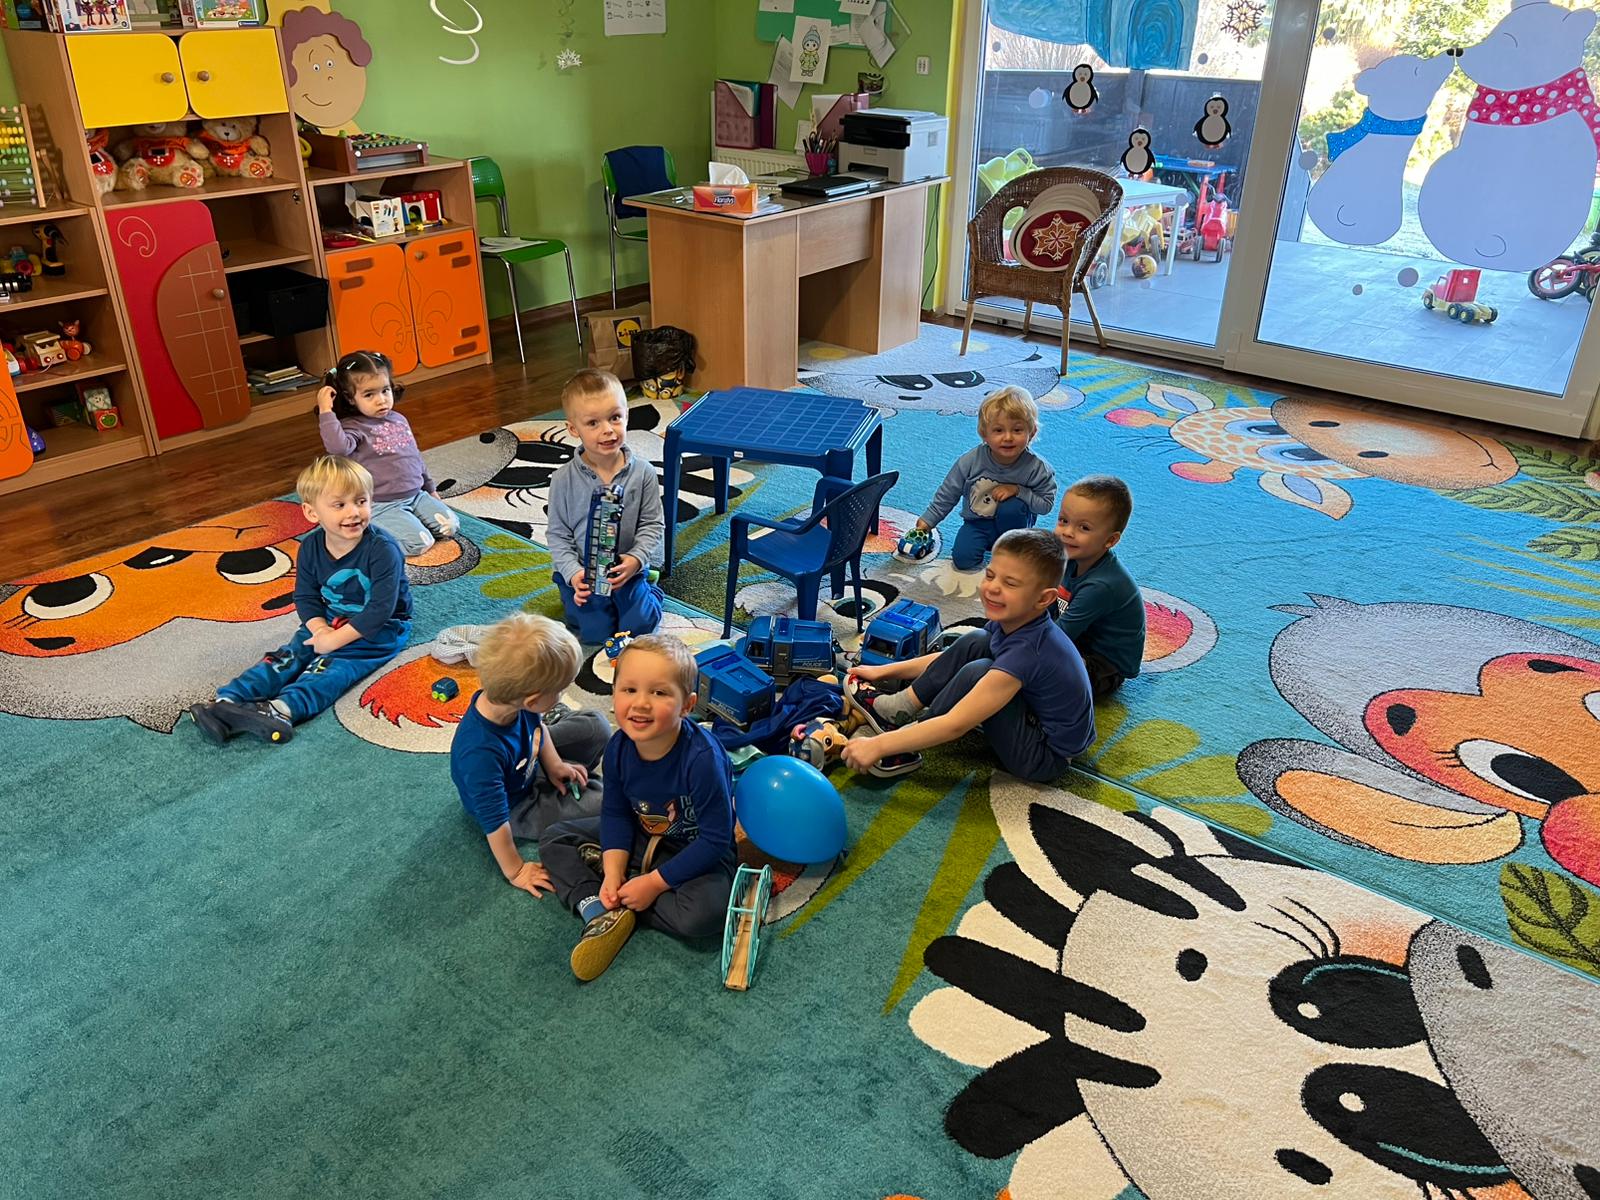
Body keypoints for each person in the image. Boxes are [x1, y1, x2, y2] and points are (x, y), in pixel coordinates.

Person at [539, 634, 737, 982]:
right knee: (555, 838)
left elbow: (716, 840)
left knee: (706, 915)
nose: (641, 703)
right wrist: (613, 872)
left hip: (696, 850)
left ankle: (629, 901)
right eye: (629, 690)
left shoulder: (702, 759)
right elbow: (616, 813)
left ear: (687, 705)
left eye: (659, 693)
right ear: (613, 693)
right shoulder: (618, 748)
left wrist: (654, 884)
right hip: (642, 835)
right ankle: (597, 906)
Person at [189, 455, 411, 745]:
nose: (354, 512)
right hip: (330, 618)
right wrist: (320, 629)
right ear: (311, 512)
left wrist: (334, 641)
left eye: (361, 501)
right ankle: (227, 701)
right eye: (339, 505)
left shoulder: (383, 549)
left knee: (333, 668)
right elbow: (306, 596)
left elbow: (380, 610)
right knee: (288, 656)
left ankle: (281, 710)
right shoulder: (310, 547)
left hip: (380, 629)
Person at [842, 528, 1093, 783]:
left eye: (1010, 583)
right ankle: (901, 707)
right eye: (990, 575)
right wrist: (882, 671)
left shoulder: (1027, 651)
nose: (992, 588)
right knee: (977, 639)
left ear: (1044, 599)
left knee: (980, 671)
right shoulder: (1019, 620)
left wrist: (880, 746)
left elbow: (956, 725)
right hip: (1036, 715)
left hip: (1043, 757)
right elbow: (948, 658)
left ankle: (903, 746)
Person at [449, 614, 609, 898]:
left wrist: (555, 765)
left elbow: (538, 729)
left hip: (528, 759)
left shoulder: (516, 705)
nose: (563, 693)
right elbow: (495, 822)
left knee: (597, 725)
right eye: (560, 690)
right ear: (533, 700)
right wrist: (516, 870)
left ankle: (561, 764)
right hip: (517, 805)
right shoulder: (480, 754)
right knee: (606, 803)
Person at [545, 368, 665, 644]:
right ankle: (578, 600)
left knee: (639, 628)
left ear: (626, 416)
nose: (608, 430)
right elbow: (558, 535)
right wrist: (573, 574)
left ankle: (651, 591)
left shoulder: (643, 473)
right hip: (583, 573)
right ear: (573, 429)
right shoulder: (563, 479)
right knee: (593, 634)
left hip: (626, 569)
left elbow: (652, 524)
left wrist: (636, 560)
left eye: (615, 418)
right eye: (593, 423)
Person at [316, 349, 458, 558]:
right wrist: (326, 411)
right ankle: (364, 535)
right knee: (418, 543)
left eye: (385, 390)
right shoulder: (352, 427)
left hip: (415, 495)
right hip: (381, 504)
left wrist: (430, 489)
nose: (381, 400)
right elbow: (337, 448)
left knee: (450, 526)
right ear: (350, 398)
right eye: (369, 394)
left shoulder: (399, 419)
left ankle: (406, 521)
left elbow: (414, 457)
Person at [913, 386, 1057, 571]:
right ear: (984, 434)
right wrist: (928, 520)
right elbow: (948, 493)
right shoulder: (970, 462)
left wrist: (1018, 491)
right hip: (977, 524)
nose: (1008, 437)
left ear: (1032, 432)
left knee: (1012, 508)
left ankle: (1014, 546)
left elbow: (1045, 505)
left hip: (1014, 525)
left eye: (1017, 430)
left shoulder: (1038, 468)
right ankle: (990, 543)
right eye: (998, 430)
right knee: (963, 561)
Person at [1055, 475, 1146, 700]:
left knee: (1040, 668)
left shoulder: (1101, 586)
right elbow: (1045, 602)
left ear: (1110, 540)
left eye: (1084, 528)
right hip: (1080, 639)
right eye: (1063, 520)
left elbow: (1057, 636)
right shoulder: (1070, 557)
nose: (1067, 532)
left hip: (1103, 667)